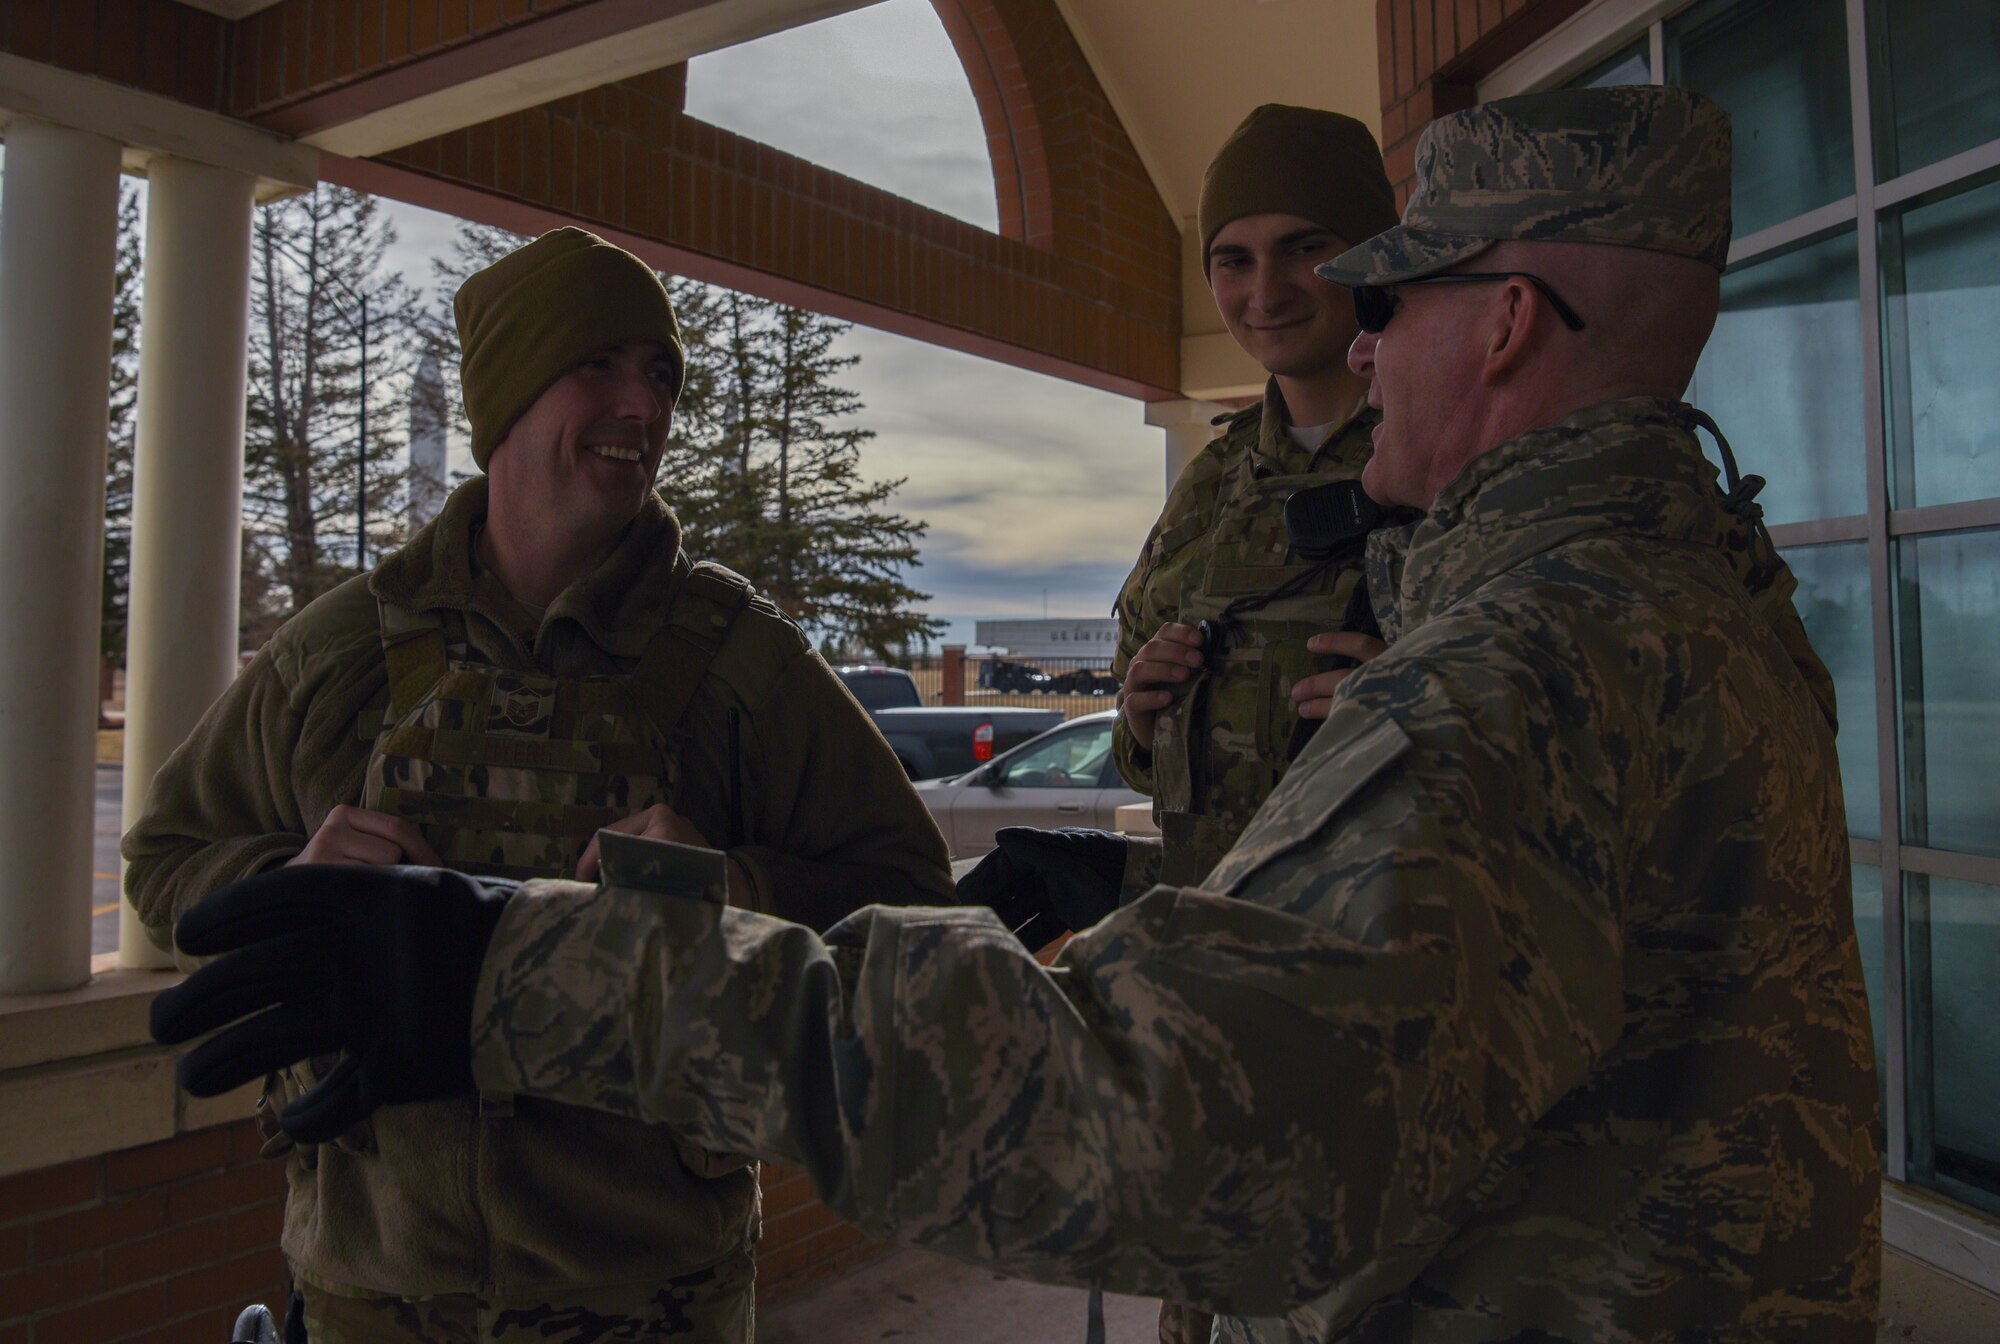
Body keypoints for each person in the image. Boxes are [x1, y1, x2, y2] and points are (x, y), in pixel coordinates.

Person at [156, 88, 1883, 1342]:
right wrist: (1158, 885)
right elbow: (1489, 972)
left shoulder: (1529, 662)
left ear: (1504, 326)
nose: (1360, 345)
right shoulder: (1679, 592)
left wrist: (517, 966)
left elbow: (1183, 1118)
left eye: (1393, 297)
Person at [125, 227, 952, 1342]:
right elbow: (165, 862)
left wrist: (734, 890)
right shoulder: (342, 651)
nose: (643, 405)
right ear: (507, 396)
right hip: (376, 1289)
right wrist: (288, 884)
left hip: (655, 1295)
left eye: (660, 374)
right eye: (596, 364)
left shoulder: (740, 662)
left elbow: (918, 904)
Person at [1116, 103, 1402, 891]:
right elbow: (1147, 757)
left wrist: (1422, 715)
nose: (1265, 291)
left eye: (1305, 249)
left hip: (1388, 932)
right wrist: (1142, 721)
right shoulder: (1211, 482)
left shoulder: (1444, 456)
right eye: (1233, 260)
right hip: (1211, 930)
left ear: (1372, 256)